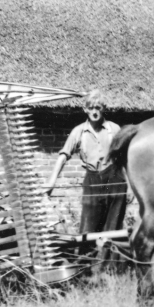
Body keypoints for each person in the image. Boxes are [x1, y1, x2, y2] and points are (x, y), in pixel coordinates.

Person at [43, 90, 127, 234]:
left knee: (113, 227)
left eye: (98, 108)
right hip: (92, 180)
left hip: (114, 180)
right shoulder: (79, 132)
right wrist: (51, 182)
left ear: (104, 108)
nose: (94, 112)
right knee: (89, 227)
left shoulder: (114, 129)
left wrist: (130, 185)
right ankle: (87, 256)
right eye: (91, 108)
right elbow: (63, 156)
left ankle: (109, 256)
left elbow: (124, 158)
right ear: (85, 109)